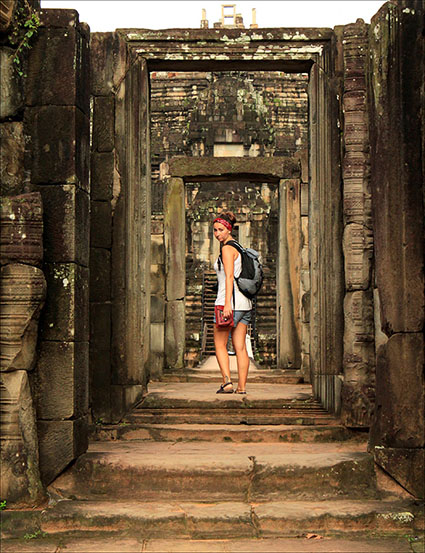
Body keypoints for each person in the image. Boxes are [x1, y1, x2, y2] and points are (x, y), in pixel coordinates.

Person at [213, 212, 252, 394]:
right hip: (245, 304)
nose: (217, 234)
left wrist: (227, 304)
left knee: (220, 344)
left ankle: (227, 382)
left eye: (221, 230)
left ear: (229, 229)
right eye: (215, 230)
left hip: (228, 304)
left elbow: (229, 277)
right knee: (240, 347)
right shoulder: (240, 248)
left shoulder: (227, 249)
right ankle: (241, 388)